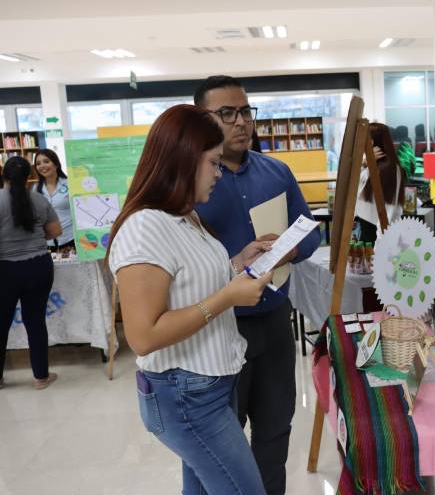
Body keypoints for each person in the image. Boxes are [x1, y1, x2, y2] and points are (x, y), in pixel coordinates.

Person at [107, 104, 274, 494]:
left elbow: (191, 283)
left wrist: (237, 263)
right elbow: (144, 335)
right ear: (182, 161)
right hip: (185, 395)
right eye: (213, 163)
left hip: (208, 387)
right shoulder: (144, 228)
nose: (219, 173)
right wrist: (228, 298)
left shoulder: (184, 215)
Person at [194, 75, 321, 495]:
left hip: (273, 322)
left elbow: (311, 233)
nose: (240, 121)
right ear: (202, 119)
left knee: (274, 429)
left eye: (245, 111)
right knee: (221, 439)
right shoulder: (189, 184)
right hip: (218, 327)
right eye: (226, 113)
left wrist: (287, 250)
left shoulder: (276, 172)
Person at [0, 156, 62, 390]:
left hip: (5, 269)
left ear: (4, 175)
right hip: (38, 265)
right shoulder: (39, 199)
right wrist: (34, 239)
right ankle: (41, 377)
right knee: (35, 321)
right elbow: (55, 230)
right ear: (30, 176)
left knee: (1, 323)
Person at [354, 122, 406, 243]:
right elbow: (354, 188)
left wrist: (380, 246)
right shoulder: (371, 166)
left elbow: (389, 212)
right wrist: (364, 163)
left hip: (379, 237)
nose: (360, 145)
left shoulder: (390, 169)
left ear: (371, 142)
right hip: (367, 233)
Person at [34, 149, 74, 251]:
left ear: (56, 164)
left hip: (70, 239)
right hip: (46, 242)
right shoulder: (35, 189)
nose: (42, 166)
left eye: (46, 161)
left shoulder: (70, 184)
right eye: (38, 163)